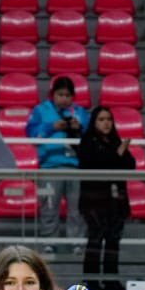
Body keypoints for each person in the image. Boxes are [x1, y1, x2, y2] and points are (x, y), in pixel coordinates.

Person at [77, 106, 136, 290]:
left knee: (113, 240)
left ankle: (111, 280)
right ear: (94, 123)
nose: (106, 123)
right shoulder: (87, 142)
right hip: (93, 200)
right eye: (101, 119)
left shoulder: (115, 141)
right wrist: (117, 155)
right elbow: (95, 163)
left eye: (109, 119)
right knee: (95, 238)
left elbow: (130, 165)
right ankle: (92, 280)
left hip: (116, 200)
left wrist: (119, 154)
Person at [27, 77, 90, 242]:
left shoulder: (81, 113)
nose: (64, 98)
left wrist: (80, 129)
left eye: (68, 95)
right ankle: (49, 243)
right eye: (60, 94)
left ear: (73, 96)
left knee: (77, 210)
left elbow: (91, 139)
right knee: (48, 207)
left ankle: (77, 243)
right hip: (49, 168)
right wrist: (51, 127)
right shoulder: (40, 110)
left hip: (76, 169)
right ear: (52, 95)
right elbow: (31, 135)